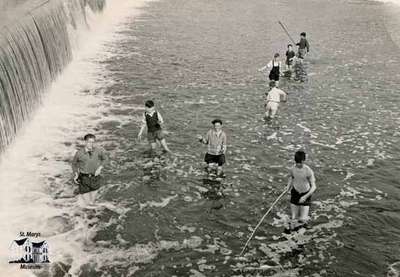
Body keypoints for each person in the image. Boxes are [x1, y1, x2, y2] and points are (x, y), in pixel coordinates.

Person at [72, 133, 108, 204]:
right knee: (88, 203)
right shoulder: (79, 153)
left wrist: (100, 168)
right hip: (84, 179)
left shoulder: (98, 151)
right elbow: (74, 164)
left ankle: (91, 212)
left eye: (93, 142)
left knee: (92, 202)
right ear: (85, 142)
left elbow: (105, 159)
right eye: (89, 142)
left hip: (95, 178)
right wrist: (76, 174)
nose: (91, 144)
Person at [287, 150, 316, 230]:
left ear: (303, 161)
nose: (298, 165)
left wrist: (305, 197)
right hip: (295, 193)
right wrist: (288, 186)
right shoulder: (292, 168)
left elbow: (314, 187)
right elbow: (291, 177)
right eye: (297, 163)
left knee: (302, 220)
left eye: (300, 163)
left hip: (305, 194)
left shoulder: (308, 171)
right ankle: (290, 237)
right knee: (293, 219)